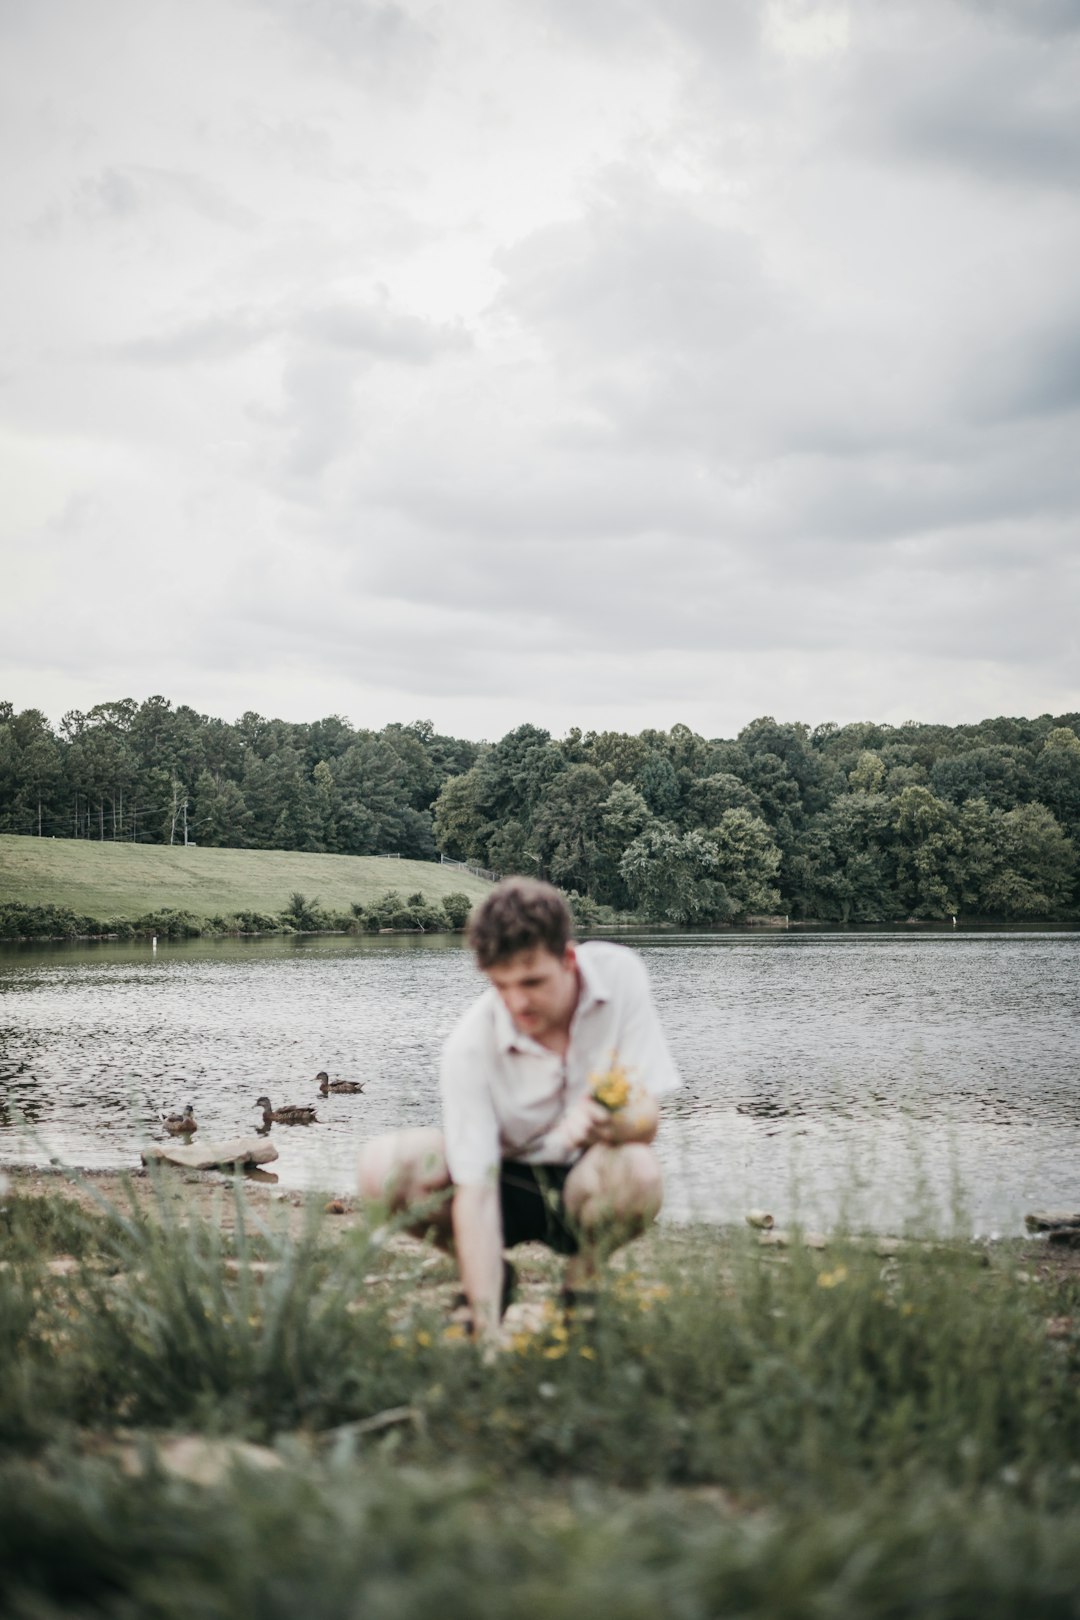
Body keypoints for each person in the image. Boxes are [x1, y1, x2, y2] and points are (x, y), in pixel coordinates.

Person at [357, 877, 680, 1342]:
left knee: (640, 1171)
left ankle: (580, 1290)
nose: (517, 1003)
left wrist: (611, 1121)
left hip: (582, 1181)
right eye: (501, 985)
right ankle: (485, 1286)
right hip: (499, 1183)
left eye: (532, 981)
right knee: (382, 1166)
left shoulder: (620, 976)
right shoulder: (470, 1047)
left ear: (569, 959)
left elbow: (646, 1121)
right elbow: (476, 1190)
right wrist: (485, 1337)